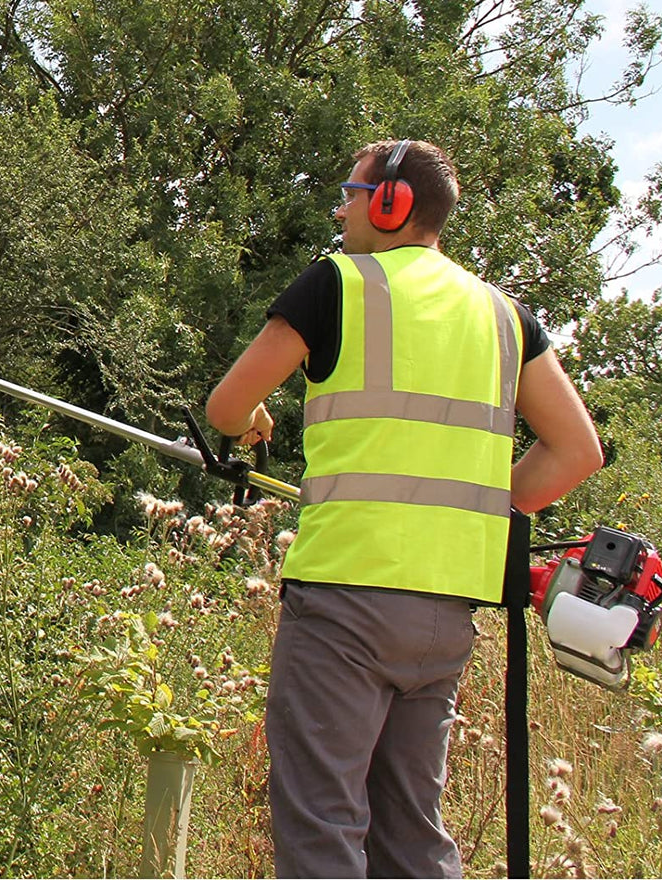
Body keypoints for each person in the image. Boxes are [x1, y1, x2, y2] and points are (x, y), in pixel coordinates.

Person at [205, 139, 603, 879]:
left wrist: (254, 416)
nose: (341, 207)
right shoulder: (503, 315)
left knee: (322, 827)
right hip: (446, 617)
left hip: (343, 602)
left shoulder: (339, 285)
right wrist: (479, 501)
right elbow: (577, 452)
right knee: (413, 838)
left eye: (352, 192)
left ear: (391, 203)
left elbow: (226, 405)